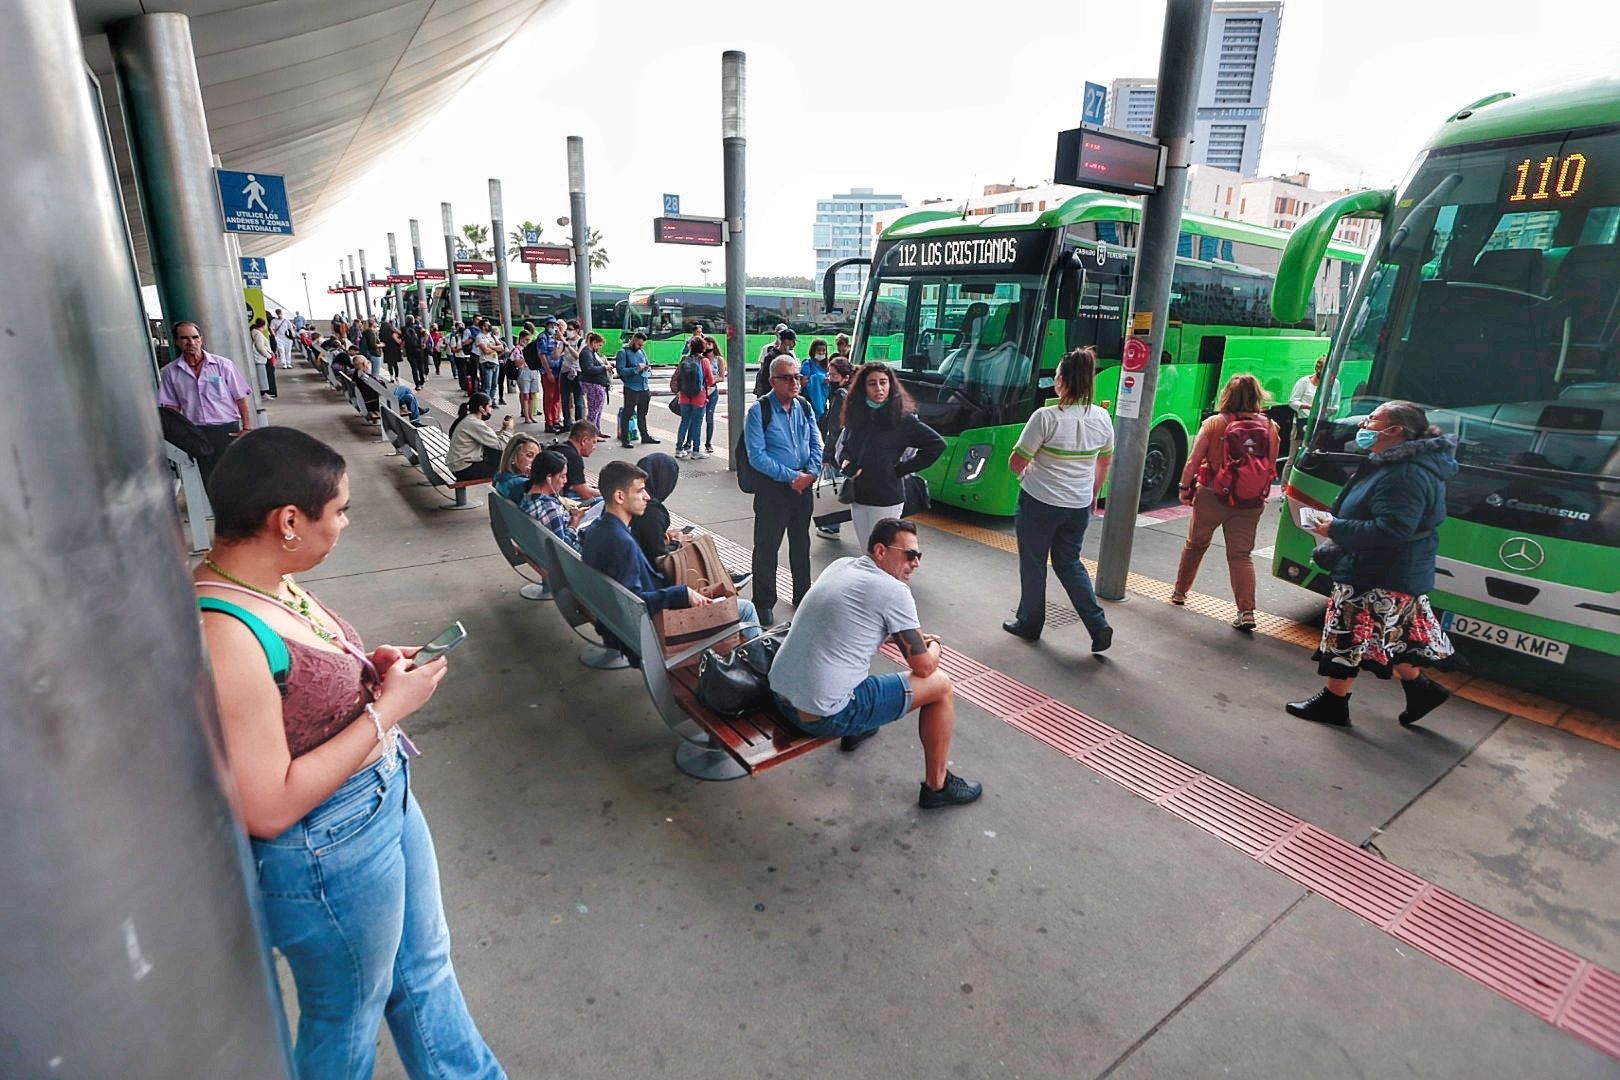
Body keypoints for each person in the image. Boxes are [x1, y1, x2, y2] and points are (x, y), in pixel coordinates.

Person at [192, 428, 505, 1079]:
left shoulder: (270, 580)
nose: (344, 523)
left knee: (425, 974)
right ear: (287, 521)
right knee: (347, 1020)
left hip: (380, 804)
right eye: (338, 510)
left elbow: (303, 680)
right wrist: (386, 710)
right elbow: (268, 805)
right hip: (325, 855)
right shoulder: (223, 634)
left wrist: (367, 668)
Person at [769, 518, 982, 809]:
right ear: (880, 551)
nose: (916, 563)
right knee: (941, 686)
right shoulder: (893, 591)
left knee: (851, 659)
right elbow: (924, 668)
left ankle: (856, 729)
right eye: (909, 554)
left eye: (919, 555)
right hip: (819, 716)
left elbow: (851, 626)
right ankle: (938, 785)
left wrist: (905, 640)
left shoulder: (842, 565)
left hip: (780, 696)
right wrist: (935, 646)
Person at [1286, 401, 1458, 728]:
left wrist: (1334, 528)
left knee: (1346, 637)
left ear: (1395, 431)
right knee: (1395, 635)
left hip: (1377, 572)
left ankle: (1334, 704)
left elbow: (1392, 528)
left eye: (1372, 419)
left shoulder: (1404, 473)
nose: (1363, 424)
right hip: (1391, 569)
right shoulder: (1398, 463)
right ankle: (1421, 690)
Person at [583, 461, 760, 656]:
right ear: (619, 496)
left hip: (618, 625)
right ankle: (762, 670)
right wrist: (682, 594)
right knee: (745, 609)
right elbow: (634, 604)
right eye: (640, 491)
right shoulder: (620, 542)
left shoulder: (598, 529)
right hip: (652, 633)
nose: (647, 497)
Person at [1002, 346, 1114, 652]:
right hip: (1078, 505)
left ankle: (1029, 623)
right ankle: (1098, 625)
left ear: (1061, 381)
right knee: (1069, 563)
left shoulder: (1045, 417)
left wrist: (1025, 475)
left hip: (1040, 502)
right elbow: (1104, 462)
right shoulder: (1103, 417)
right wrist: (1092, 494)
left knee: (1034, 562)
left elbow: (1016, 461)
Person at [1171, 373, 1280, 631]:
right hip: (1249, 501)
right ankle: (1246, 612)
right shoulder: (1270, 428)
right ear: (1257, 396)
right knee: (1241, 555)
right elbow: (1270, 466)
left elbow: (1193, 462)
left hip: (1212, 495)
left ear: (1227, 395)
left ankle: (1180, 592)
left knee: (1196, 544)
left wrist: (1185, 488)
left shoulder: (1214, 424)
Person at [829, 362, 945, 550]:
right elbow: (845, 446)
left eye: (883, 382)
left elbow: (936, 444)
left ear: (891, 385)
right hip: (858, 495)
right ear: (863, 387)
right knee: (867, 551)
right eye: (872, 383)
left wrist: (900, 470)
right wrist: (845, 460)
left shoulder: (902, 419)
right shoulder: (857, 414)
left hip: (886, 497)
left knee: (882, 553)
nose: (879, 388)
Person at [744, 355, 822, 624]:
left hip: (803, 488)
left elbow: (816, 443)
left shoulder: (804, 406)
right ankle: (764, 603)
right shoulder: (759, 411)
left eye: (797, 376)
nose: (794, 383)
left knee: (801, 543)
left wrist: (810, 473)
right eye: (786, 378)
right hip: (773, 489)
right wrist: (791, 477)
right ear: (772, 381)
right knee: (766, 546)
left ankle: (803, 595)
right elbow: (757, 456)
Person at [156, 320, 253, 482]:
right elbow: (171, 409)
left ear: (201, 338)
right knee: (210, 481)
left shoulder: (223, 365)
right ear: (176, 341)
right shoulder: (170, 373)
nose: (191, 342)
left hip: (227, 431)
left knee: (236, 479)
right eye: (185, 338)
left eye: (195, 337)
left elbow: (241, 398)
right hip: (197, 433)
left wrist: (247, 428)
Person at [1284, 355, 1342, 482]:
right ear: (1318, 369)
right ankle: (1285, 487)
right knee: (1293, 456)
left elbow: (1336, 405)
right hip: (1302, 422)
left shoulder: (1335, 383)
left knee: (1316, 456)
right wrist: (1309, 407)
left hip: (1321, 423)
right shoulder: (1304, 382)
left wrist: (1328, 410)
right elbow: (1293, 402)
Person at [519, 449, 587, 551]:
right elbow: (563, 548)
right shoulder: (550, 509)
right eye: (562, 476)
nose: (566, 481)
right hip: (571, 558)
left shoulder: (527, 497)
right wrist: (574, 521)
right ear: (549, 478)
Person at [446, 392, 512, 482]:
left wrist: (503, 430)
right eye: (489, 406)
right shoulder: (474, 423)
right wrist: (508, 429)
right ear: (481, 408)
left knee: (498, 456)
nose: (491, 410)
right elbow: (501, 445)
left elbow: (490, 438)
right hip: (464, 469)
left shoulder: (469, 419)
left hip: (458, 466)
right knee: (507, 467)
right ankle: (504, 493)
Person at [614, 330, 657, 448]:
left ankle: (645, 436)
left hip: (643, 386)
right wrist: (636, 369)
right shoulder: (623, 352)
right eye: (638, 344)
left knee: (642, 414)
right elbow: (621, 371)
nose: (640, 347)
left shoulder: (641, 352)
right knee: (627, 414)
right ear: (633, 340)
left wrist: (647, 368)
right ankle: (625, 439)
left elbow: (647, 364)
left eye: (642, 345)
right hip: (631, 387)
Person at [674, 337, 714, 460]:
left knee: (684, 422)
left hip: (684, 396)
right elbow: (711, 380)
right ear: (702, 348)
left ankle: (679, 449)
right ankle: (696, 451)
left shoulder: (684, 360)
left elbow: (678, 376)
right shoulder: (704, 361)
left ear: (690, 347)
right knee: (697, 424)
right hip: (699, 396)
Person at [545, 420, 603, 500]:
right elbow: (585, 494)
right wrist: (606, 493)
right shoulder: (574, 458)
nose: (594, 447)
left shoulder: (561, 448)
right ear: (584, 441)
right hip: (553, 497)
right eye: (594, 442)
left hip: (546, 492)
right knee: (603, 500)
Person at [578, 331, 612, 432]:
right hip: (593, 384)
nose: (599, 348)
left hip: (598, 384)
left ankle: (597, 431)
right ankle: (591, 433)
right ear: (594, 343)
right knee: (593, 410)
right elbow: (589, 369)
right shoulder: (586, 353)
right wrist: (604, 367)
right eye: (599, 345)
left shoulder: (591, 353)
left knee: (598, 410)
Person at [492, 432, 541, 502]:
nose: (535, 461)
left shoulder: (500, 477)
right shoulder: (521, 484)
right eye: (529, 455)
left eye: (538, 457)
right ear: (513, 458)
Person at [753, 327, 797, 397]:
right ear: (786, 341)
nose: (794, 344)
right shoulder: (771, 356)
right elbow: (765, 378)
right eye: (793, 341)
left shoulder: (790, 355)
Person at [558, 321, 585, 429]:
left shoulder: (582, 342)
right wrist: (558, 342)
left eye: (570, 329)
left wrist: (566, 343)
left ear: (577, 330)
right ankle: (567, 423)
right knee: (565, 399)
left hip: (577, 372)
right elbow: (556, 355)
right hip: (565, 372)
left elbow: (577, 356)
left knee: (578, 399)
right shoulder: (564, 341)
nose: (568, 331)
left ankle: (579, 425)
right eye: (567, 329)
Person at [702, 338, 726, 454]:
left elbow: (722, 376)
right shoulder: (702, 359)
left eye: (709, 344)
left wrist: (712, 380)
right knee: (696, 417)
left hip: (712, 390)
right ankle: (689, 442)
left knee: (709, 417)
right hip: (701, 390)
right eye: (705, 344)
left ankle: (708, 443)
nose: (707, 346)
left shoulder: (719, 359)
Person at [515, 330, 541, 425]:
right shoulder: (518, 349)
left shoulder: (532, 349)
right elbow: (517, 362)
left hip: (533, 370)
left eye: (529, 340)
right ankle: (526, 416)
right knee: (525, 395)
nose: (527, 342)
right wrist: (526, 357)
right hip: (523, 371)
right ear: (521, 339)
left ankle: (531, 415)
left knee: (532, 395)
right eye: (526, 340)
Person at [801, 338, 831, 419]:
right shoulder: (807, 364)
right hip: (809, 401)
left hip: (823, 403)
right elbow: (804, 383)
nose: (821, 353)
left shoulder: (826, 366)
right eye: (818, 350)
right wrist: (819, 379)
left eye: (824, 350)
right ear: (813, 351)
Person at [249, 316, 276, 399]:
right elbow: (260, 347)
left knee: (262, 375)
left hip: (259, 358)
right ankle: (263, 393)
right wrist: (269, 356)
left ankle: (264, 392)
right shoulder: (258, 334)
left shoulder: (254, 332)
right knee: (262, 376)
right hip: (260, 358)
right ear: (263, 325)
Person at [403, 315, 429, 389]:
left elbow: (400, 339)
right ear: (413, 320)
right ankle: (422, 381)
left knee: (413, 368)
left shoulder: (404, 329)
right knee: (420, 366)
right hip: (418, 349)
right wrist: (424, 343)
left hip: (409, 351)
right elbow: (427, 333)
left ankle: (417, 384)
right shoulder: (418, 327)